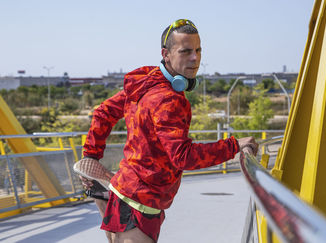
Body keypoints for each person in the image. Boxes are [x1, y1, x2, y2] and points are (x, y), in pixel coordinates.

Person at [80, 19, 259, 243]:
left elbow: (103, 113)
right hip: (138, 206)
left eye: (198, 50)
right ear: (166, 54)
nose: (195, 58)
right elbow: (183, 156)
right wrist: (233, 145)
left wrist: (91, 155)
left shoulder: (145, 83)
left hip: (123, 193)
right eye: (185, 51)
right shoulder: (168, 100)